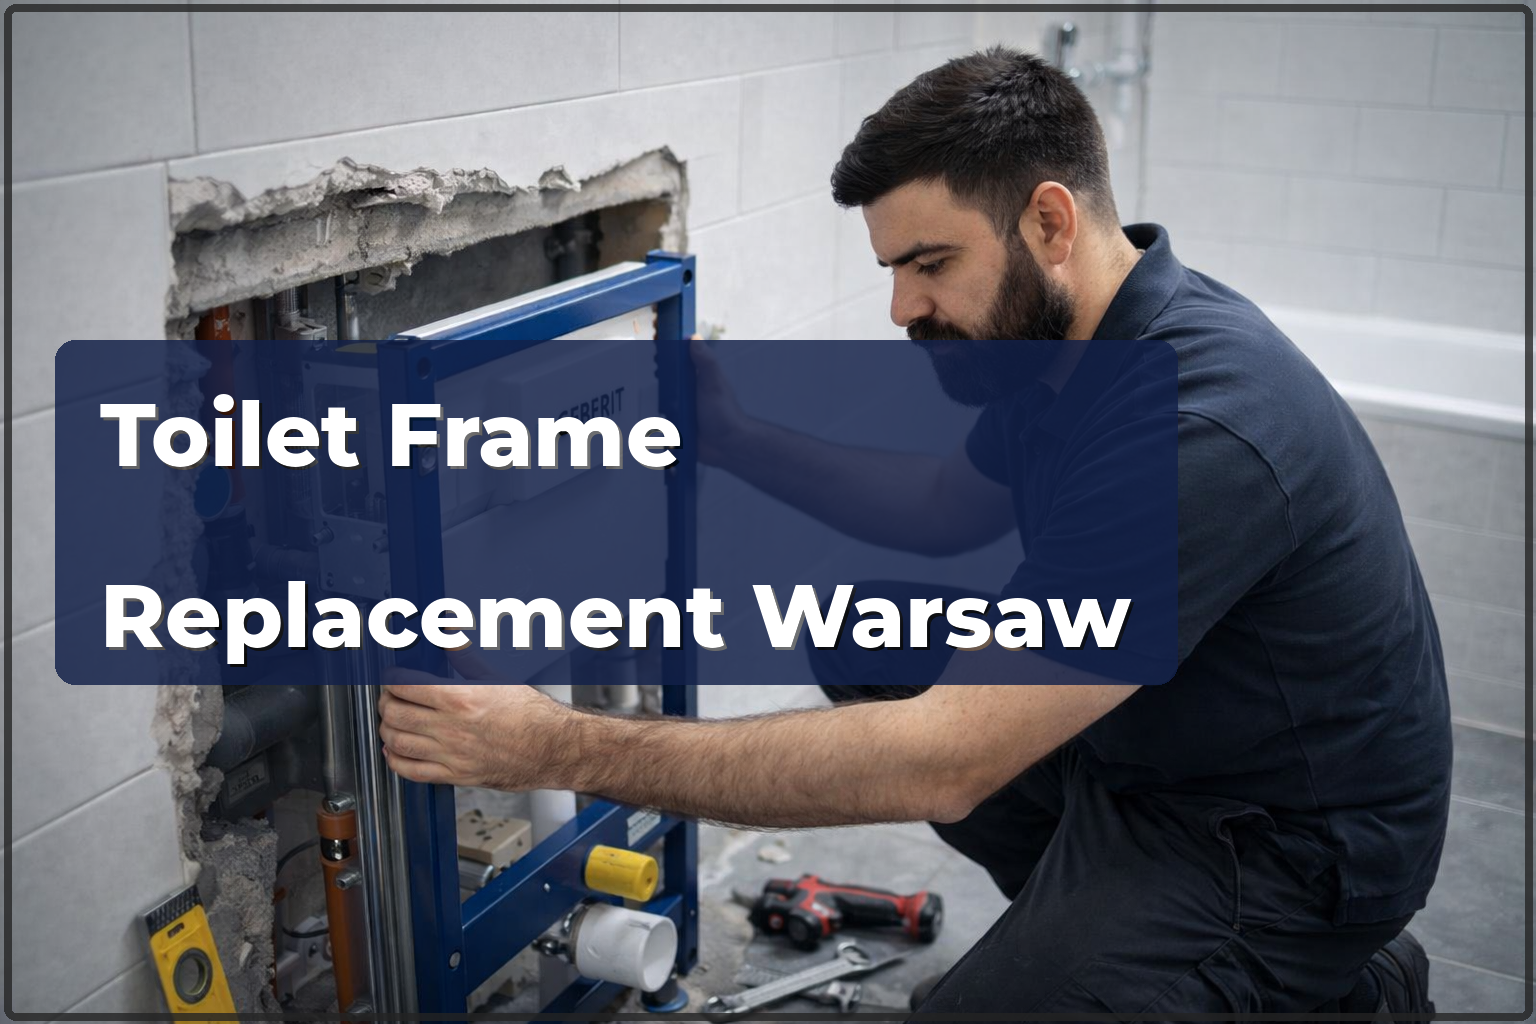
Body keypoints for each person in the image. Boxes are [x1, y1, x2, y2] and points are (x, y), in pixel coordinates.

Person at [378, 47, 1450, 1017]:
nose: (902, 308)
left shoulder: (1198, 422)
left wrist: (554, 745)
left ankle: (1316, 980)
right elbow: (939, 508)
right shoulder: (1067, 346)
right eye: (893, 269)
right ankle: (1101, 937)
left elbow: (946, 760)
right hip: (1163, 744)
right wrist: (735, 436)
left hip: (1280, 848)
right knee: (865, 633)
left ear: (1050, 224)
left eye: (930, 264)